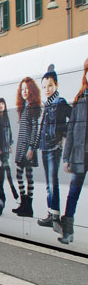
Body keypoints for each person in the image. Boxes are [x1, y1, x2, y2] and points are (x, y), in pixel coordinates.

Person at [36, 64, 72, 231]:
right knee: (49, 184)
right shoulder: (47, 104)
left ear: (56, 85)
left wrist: (62, 136)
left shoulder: (59, 102)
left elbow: (73, 118)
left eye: (50, 85)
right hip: (45, 147)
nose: (47, 89)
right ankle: (52, 214)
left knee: (52, 182)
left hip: (52, 148)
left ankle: (55, 216)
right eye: (44, 87)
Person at [59, 57, 88, 244]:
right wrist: (66, 158)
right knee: (73, 193)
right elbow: (70, 131)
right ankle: (68, 232)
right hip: (80, 155)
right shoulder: (79, 100)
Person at [13, 77, 41, 217]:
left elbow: (35, 129)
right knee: (20, 175)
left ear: (31, 90)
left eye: (26, 88)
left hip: (27, 147)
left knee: (28, 175)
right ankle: (24, 204)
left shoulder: (32, 107)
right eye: (22, 89)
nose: (24, 91)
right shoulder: (24, 107)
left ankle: (28, 206)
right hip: (21, 146)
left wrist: (32, 148)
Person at [0, 98, 19, 200]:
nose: (1, 106)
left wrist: (10, 144)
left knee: (7, 170)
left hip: (6, 150)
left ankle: (12, 189)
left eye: (2, 104)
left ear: (5, 106)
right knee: (0, 172)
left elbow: (10, 133)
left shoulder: (7, 119)